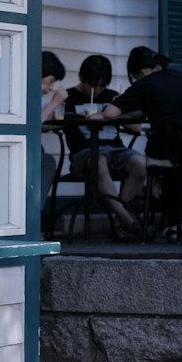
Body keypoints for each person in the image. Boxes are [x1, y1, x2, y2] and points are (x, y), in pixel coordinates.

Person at [100, 45, 182, 241]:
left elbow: (110, 113)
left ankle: (129, 218)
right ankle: (173, 228)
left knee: (150, 161)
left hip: (165, 150)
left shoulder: (146, 84)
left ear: (141, 72)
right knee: (170, 166)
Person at [63, 54, 146, 237]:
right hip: (83, 153)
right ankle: (128, 220)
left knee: (141, 164)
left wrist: (111, 115)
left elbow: (136, 127)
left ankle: (120, 220)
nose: (98, 90)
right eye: (94, 85)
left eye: (102, 85)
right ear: (83, 78)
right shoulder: (69, 98)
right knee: (98, 161)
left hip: (115, 149)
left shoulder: (112, 97)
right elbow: (55, 122)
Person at [40, 51, 68, 205]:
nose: (51, 88)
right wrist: (55, 102)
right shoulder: (24, 93)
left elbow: (43, 123)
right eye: (50, 81)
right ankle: (35, 213)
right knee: (47, 162)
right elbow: (34, 123)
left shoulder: (39, 97)